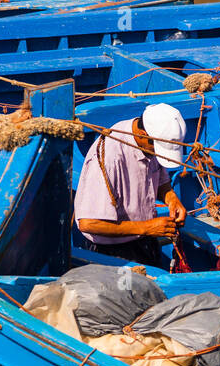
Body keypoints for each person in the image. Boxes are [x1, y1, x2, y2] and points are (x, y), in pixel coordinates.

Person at [74, 104, 188, 270]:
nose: (156, 154)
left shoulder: (149, 143)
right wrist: (147, 227)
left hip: (145, 241)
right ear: (143, 134)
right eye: (156, 150)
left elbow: (161, 181)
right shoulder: (109, 159)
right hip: (111, 255)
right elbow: (88, 223)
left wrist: (172, 199)